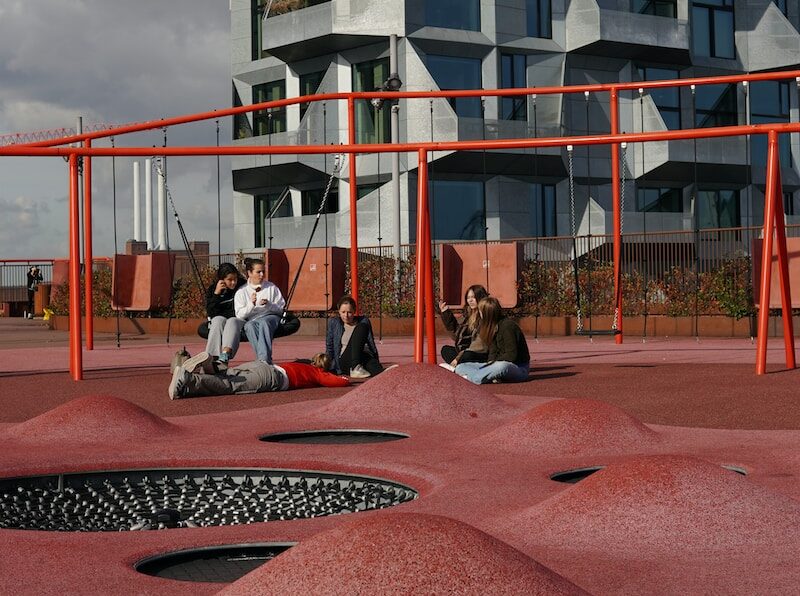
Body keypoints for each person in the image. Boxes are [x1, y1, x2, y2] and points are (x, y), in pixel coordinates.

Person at [168, 351, 349, 399]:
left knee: (228, 375)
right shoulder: (318, 373)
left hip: (263, 365)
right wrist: (344, 378)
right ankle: (189, 379)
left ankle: (210, 366)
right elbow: (338, 382)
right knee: (231, 386)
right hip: (271, 379)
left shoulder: (302, 362)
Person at [455, 296, 530, 385]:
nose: (479, 314)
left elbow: (511, 355)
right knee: (461, 366)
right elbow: (492, 352)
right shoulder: (491, 328)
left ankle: (472, 378)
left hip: (518, 367)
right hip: (494, 365)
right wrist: (490, 363)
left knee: (502, 366)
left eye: (480, 311)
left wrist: (492, 364)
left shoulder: (508, 326)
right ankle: (486, 376)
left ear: (487, 313)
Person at [234, 257, 285, 364]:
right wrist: (251, 305)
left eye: (263, 272)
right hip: (252, 319)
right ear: (249, 273)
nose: (262, 275)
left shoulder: (271, 287)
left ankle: (263, 360)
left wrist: (269, 304)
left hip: (270, 316)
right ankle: (264, 360)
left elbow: (280, 309)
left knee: (263, 323)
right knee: (249, 326)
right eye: (258, 272)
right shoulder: (242, 291)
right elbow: (239, 315)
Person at [325, 295, 384, 379]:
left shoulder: (363, 320)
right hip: (344, 361)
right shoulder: (334, 323)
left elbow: (371, 344)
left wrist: (376, 360)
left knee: (369, 360)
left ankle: (382, 373)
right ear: (339, 312)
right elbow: (329, 346)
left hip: (361, 357)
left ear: (354, 311)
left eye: (349, 312)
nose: (346, 315)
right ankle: (355, 367)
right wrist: (328, 366)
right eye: (343, 312)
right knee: (362, 327)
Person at [438, 284, 489, 370]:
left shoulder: (485, 315)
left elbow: (479, 344)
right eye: (468, 298)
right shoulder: (467, 315)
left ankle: (460, 368)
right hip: (464, 352)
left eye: (473, 297)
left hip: (479, 352)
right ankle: (462, 367)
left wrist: (458, 358)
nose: (470, 300)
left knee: (467, 355)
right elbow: (456, 335)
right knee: (445, 350)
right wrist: (446, 314)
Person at [205, 262, 246, 364]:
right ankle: (211, 358)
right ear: (222, 280)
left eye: (235, 279)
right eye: (230, 280)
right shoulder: (213, 289)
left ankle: (225, 355)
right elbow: (211, 312)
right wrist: (216, 294)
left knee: (232, 321)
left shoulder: (242, 286)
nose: (233, 283)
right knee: (217, 320)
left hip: (237, 319)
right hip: (221, 320)